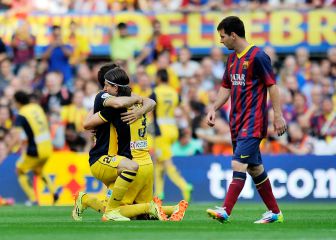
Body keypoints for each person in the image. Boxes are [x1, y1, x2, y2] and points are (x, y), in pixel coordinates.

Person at [72, 65, 188, 222]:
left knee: (124, 211)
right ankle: (165, 208)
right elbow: (88, 123)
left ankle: (86, 200)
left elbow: (151, 102)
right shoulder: (112, 99)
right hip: (127, 160)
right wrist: (139, 106)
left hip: (128, 161)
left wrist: (139, 110)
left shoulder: (123, 102)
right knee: (130, 212)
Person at [206, 16, 287, 224]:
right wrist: (214, 108)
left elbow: (272, 86)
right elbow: (226, 86)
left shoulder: (258, 56)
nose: (221, 41)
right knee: (254, 168)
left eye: (222, 36)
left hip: (253, 122)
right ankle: (275, 213)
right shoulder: (232, 58)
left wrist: (278, 115)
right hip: (237, 122)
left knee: (238, 163)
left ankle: (225, 210)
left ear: (233, 35)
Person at [6, 91, 57, 205]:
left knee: (19, 170)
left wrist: (8, 150)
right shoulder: (36, 107)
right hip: (48, 146)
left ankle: (33, 199)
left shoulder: (22, 114)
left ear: (18, 102)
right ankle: (54, 193)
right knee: (39, 170)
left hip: (36, 149)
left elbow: (16, 137)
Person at [151, 69, 193, 201]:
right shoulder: (174, 93)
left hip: (160, 132)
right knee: (158, 162)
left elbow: (149, 110)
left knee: (166, 162)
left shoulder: (155, 92)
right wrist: (187, 125)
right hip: (173, 130)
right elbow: (185, 108)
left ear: (158, 78)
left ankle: (184, 185)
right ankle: (159, 194)